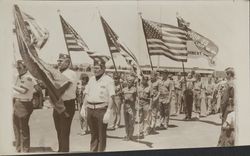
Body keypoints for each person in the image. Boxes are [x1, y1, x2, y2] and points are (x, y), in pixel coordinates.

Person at [80, 59, 115, 152]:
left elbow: (112, 97)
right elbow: (86, 94)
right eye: (93, 68)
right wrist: (83, 107)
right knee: (93, 134)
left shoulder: (109, 80)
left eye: (97, 68)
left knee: (101, 135)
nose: (94, 70)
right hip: (90, 109)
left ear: (103, 68)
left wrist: (108, 111)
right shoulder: (91, 79)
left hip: (101, 110)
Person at [53, 53, 77, 152]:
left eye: (61, 61)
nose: (58, 62)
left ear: (67, 62)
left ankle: (64, 151)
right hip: (58, 104)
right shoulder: (56, 72)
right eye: (58, 60)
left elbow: (63, 88)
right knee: (58, 130)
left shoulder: (71, 73)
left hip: (67, 105)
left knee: (64, 132)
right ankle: (60, 150)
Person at [13, 60, 37, 153]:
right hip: (17, 103)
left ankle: (25, 149)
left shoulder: (28, 78)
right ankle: (18, 148)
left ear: (26, 68)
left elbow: (23, 91)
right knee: (16, 127)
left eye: (20, 68)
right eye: (17, 68)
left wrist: (10, 86)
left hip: (24, 104)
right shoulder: (19, 77)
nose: (18, 69)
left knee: (23, 128)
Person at [122, 73, 137, 141]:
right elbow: (122, 96)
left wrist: (127, 97)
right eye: (127, 81)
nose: (128, 82)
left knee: (131, 122)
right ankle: (127, 134)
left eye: (130, 81)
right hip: (125, 106)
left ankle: (130, 135)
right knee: (126, 122)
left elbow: (133, 98)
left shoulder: (134, 89)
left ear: (133, 82)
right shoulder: (124, 89)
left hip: (131, 107)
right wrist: (124, 98)